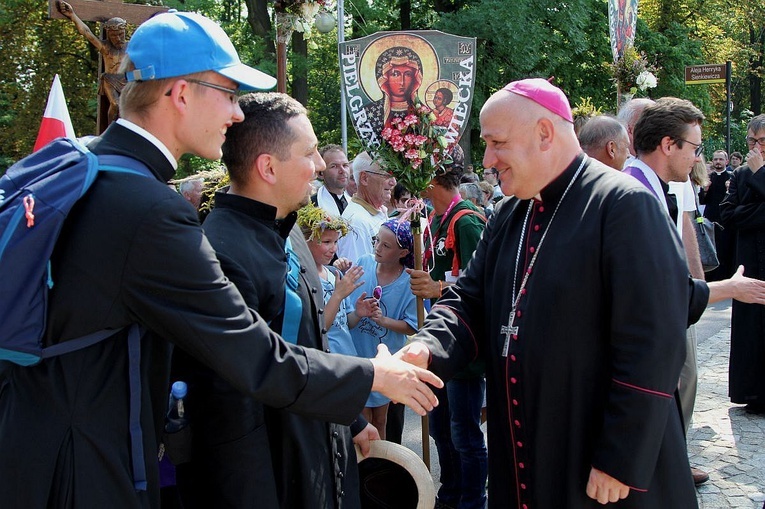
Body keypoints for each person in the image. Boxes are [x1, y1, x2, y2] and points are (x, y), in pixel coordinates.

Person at [0, 12, 442, 509]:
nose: (236, 115)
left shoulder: (93, 167)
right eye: (228, 94)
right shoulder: (148, 209)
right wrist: (374, 377)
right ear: (181, 93)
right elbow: (251, 353)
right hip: (85, 469)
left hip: (38, 448)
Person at [399, 78, 704, 508]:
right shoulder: (509, 213)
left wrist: (621, 456)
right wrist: (427, 348)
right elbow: (468, 301)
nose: (487, 159)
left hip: (599, 461)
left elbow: (653, 343)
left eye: (496, 143)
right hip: (524, 451)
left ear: (544, 132)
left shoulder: (623, 205)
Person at [173, 93, 390, 508]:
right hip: (270, 473)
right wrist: (372, 376)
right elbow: (237, 398)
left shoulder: (287, 232)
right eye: (309, 152)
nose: (322, 165)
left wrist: (351, 419)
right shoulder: (220, 253)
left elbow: (308, 345)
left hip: (314, 449)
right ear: (267, 167)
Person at [408, 160, 488, 509]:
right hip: (440, 341)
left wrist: (437, 287)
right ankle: (451, 493)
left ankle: (472, 501)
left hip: (463, 351)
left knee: (465, 436)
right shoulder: (437, 219)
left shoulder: (467, 220)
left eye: (416, 170)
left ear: (433, 179)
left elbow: (480, 284)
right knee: (441, 430)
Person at [348, 219, 418, 439]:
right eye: (377, 241)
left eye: (386, 245)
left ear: (403, 252)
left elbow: (411, 327)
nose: (377, 248)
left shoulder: (409, 281)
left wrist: (382, 320)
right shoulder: (363, 263)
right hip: (357, 358)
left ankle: (381, 469)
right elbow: (346, 310)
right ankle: (364, 469)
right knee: (362, 420)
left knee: (381, 420)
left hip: (386, 360)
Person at [720, 114, 765, 415]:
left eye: (761, 142)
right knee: (749, 327)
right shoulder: (737, 175)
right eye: (751, 141)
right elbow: (728, 215)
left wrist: (761, 174)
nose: (755, 148)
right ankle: (750, 391)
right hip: (749, 259)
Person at [298, 203, 379, 357]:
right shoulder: (303, 279)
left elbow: (344, 323)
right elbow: (319, 329)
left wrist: (358, 313)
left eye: (335, 242)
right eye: (326, 242)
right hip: (328, 362)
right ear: (305, 241)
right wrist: (338, 295)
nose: (334, 249)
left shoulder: (334, 275)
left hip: (348, 357)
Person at [58, 0, 127, 122]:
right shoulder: (106, 47)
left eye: (120, 34)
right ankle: (110, 129)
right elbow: (86, 32)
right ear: (109, 35)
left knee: (127, 109)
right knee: (115, 104)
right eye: (113, 35)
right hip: (110, 80)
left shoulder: (130, 47)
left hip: (125, 79)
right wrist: (72, 15)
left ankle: (122, 131)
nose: (118, 38)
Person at [338, 151, 396, 262]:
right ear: (364, 178)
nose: (393, 182)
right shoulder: (355, 222)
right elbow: (357, 273)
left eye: (394, 176)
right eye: (387, 175)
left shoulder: (377, 211)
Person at [363, 46, 423, 133]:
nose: (402, 82)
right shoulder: (370, 111)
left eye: (408, 74)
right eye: (395, 74)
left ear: (415, 78)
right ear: (385, 78)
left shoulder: (422, 112)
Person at [700, 149, 735, 281]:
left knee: (725, 249)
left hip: (726, 220)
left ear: (726, 161)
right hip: (710, 219)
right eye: (715, 159)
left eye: (720, 159)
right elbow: (703, 200)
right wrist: (705, 190)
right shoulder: (708, 178)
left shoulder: (731, 177)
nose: (718, 162)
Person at [312, 144, 352, 216]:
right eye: (334, 166)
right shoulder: (313, 207)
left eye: (345, 165)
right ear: (321, 174)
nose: (342, 171)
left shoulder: (355, 203)